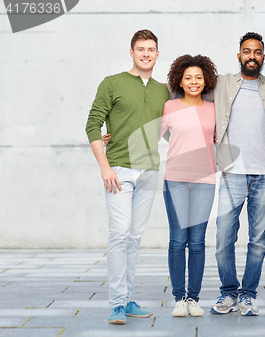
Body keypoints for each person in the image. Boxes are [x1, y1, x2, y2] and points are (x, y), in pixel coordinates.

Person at [85, 29, 170, 325]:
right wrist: (104, 165)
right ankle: (117, 304)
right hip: (119, 170)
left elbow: (172, 131)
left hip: (150, 171)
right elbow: (93, 124)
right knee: (119, 234)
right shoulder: (112, 83)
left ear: (158, 54)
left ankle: (128, 298)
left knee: (134, 238)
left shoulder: (163, 90)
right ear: (131, 52)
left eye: (151, 49)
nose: (146, 54)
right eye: (140, 49)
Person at [210, 32, 265, 316]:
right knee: (223, 240)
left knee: (258, 240)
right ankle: (228, 292)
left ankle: (248, 295)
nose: (252, 56)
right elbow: (185, 96)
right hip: (233, 173)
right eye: (247, 51)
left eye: (257, 52)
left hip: (264, 173)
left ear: (263, 57)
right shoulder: (222, 84)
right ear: (239, 55)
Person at [160, 55, 217, 317]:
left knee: (197, 242)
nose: (193, 82)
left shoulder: (213, 109)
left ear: (205, 80)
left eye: (198, 77)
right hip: (175, 180)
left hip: (205, 181)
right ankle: (178, 298)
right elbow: (148, 135)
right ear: (180, 82)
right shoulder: (170, 107)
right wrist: (112, 135)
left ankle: (193, 298)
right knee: (177, 240)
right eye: (188, 78)